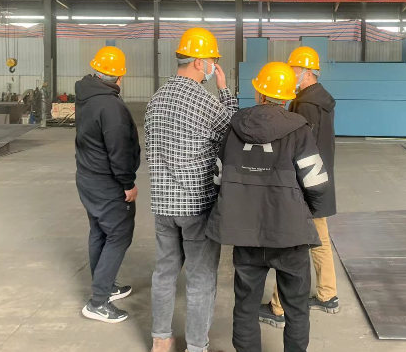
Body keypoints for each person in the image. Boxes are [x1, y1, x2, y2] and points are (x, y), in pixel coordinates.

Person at [206, 61, 330, 352]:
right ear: (287, 96)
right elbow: (316, 183)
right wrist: (305, 209)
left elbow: (218, 177)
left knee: (246, 304)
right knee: (296, 307)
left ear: (260, 93)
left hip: (245, 232)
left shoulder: (235, 127)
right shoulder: (298, 129)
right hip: (289, 233)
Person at [145, 27, 238, 352]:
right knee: (200, 278)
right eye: (212, 60)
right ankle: (196, 346)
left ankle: (160, 339)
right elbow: (234, 133)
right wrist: (225, 91)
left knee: (164, 272)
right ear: (200, 62)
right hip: (197, 206)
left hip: (163, 206)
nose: (214, 66)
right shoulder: (204, 101)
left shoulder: (156, 99)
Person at [259, 46, 339, 328]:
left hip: (305, 185)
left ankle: (279, 307)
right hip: (320, 181)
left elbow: (301, 150)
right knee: (320, 240)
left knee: (293, 244)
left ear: (306, 72)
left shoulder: (305, 105)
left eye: (293, 69)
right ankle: (328, 294)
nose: (290, 74)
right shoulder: (322, 100)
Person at [75, 46, 141, 324]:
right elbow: (119, 150)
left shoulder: (86, 95)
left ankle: (104, 284)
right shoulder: (111, 107)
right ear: (119, 77)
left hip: (88, 177)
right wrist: (128, 183)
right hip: (108, 182)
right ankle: (98, 302)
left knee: (100, 232)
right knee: (119, 235)